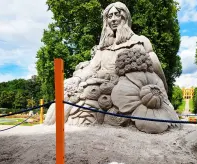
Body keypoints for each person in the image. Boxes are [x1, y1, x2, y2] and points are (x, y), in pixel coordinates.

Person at [44, 2, 177, 133]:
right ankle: (52, 125)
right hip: (99, 83)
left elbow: (154, 67)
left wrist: (163, 90)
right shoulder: (103, 47)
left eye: (117, 15)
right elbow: (92, 67)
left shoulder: (139, 41)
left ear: (124, 17)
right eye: (109, 16)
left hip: (126, 88)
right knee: (69, 95)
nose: (113, 19)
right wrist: (77, 78)